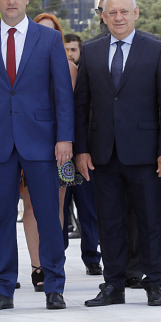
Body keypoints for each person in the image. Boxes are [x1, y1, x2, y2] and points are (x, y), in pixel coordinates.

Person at [0, 0, 74, 312]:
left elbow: (62, 95)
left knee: (47, 215)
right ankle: (2, 289)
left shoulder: (48, 39)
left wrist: (65, 138)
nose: (11, 1)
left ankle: (54, 285)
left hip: (42, 141)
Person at [74, 0, 161, 307]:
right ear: (103, 17)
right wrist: (82, 150)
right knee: (110, 221)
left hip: (147, 153)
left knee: (149, 220)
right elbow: (81, 105)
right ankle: (113, 285)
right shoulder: (90, 52)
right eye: (111, 12)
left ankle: (154, 283)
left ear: (136, 13)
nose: (118, 17)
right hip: (103, 153)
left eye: (124, 12)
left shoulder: (158, 49)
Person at [17, 12, 78, 292]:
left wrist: (66, 140)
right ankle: (37, 266)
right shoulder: (19, 63)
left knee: (55, 205)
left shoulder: (70, 67)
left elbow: (71, 106)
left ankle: (55, 261)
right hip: (29, 142)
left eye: (52, 31)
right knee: (30, 206)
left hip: (62, 145)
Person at [61, 31, 101, 277]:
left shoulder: (88, 77)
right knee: (60, 210)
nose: (69, 54)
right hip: (61, 158)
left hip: (84, 154)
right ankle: (57, 258)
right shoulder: (53, 76)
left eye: (73, 50)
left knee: (89, 209)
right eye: (65, 50)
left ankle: (92, 258)